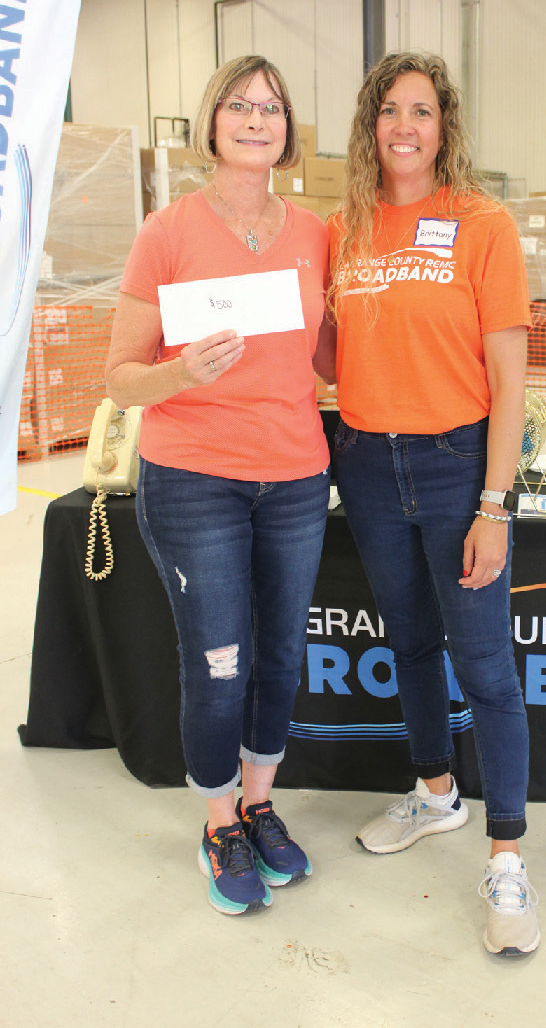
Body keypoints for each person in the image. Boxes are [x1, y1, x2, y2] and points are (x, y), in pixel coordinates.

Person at [105, 55, 335, 916]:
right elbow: (120, 377)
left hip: (296, 477)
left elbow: (326, 355)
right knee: (220, 659)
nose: (254, 118)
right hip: (194, 477)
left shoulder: (315, 234)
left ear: (287, 130)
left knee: (279, 652)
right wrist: (180, 371)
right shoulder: (166, 232)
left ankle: (260, 800)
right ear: (211, 124)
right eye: (238, 104)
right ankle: (216, 819)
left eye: (271, 107)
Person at [328, 52, 539, 955]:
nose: (404, 126)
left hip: (459, 467)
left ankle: (507, 854)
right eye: (389, 110)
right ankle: (437, 793)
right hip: (367, 462)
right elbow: (322, 351)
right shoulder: (343, 228)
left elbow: (508, 375)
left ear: (444, 126)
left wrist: (496, 503)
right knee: (410, 640)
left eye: (421, 110)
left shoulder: (482, 223)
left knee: (484, 664)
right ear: (370, 126)